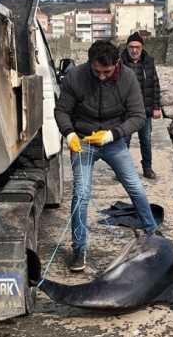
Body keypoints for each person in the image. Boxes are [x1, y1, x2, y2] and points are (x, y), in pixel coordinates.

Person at [54, 40, 159, 272]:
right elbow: (62, 111)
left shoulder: (128, 78)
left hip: (113, 140)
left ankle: (152, 233)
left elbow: (138, 116)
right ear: (90, 63)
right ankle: (79, 249)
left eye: (107, 72)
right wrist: (69, 133)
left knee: (135, 186)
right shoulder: (75, 77)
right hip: (82, 140)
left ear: (117, 64)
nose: (102, 76)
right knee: (81, 194)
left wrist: (113, 134)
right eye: (97, 71)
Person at [121, 32, 162, 180]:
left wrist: (157, 107)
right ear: (127, 47)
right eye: (131, 47)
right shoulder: (120, 62)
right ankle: (123, 170)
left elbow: (155, 84)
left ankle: (147, 168)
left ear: (142, 47)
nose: (134, 50)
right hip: (125, 112)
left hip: (145, 110)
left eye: (137, 47)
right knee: (124, 142)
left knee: (145, 140)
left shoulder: (149, 61)